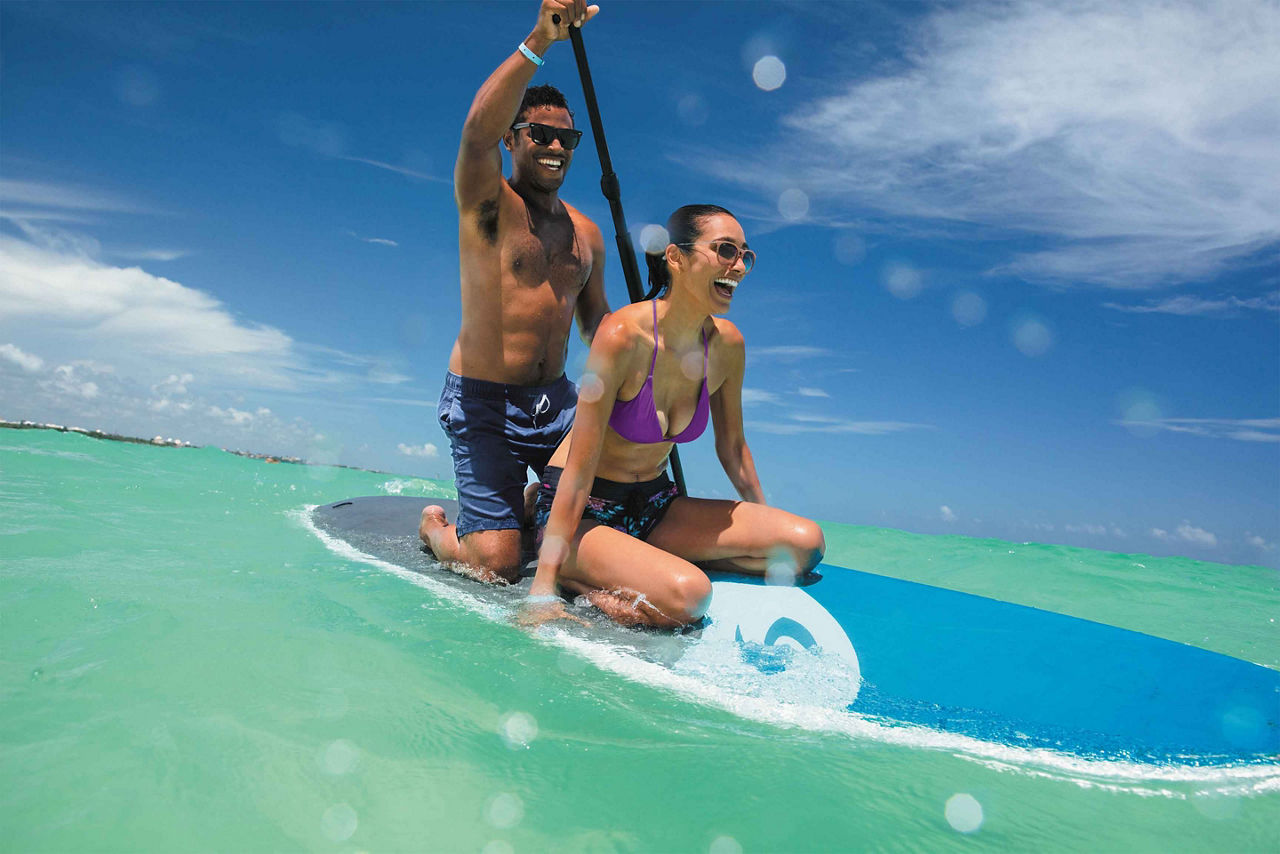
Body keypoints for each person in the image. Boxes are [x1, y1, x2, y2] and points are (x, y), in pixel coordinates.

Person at [525, 205, 826, 628]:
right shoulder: (622, 336)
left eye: (745, 256)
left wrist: (765, 524)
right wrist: (541, 591)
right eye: (725, 251)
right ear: (675, 257)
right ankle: (576, 572)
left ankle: (632, 564)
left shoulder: (727, 346)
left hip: (655, 506)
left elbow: (734, 450)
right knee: (690, 596)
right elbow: (579, 468)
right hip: (582, 509)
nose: (738, 266)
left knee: (803, 545)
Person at [420, 0, 611, 584]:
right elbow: (475, 134)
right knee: (499, 566)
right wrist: (540, 41)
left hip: (558, 405)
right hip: (484, 402)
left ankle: (529, 504)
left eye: (567, 137)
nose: (555, 146)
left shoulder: (587, 233)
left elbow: (598, 326)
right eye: (541, 134)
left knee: (606, 521)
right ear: (514, 138)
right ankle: (438, 531)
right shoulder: (489, 206)